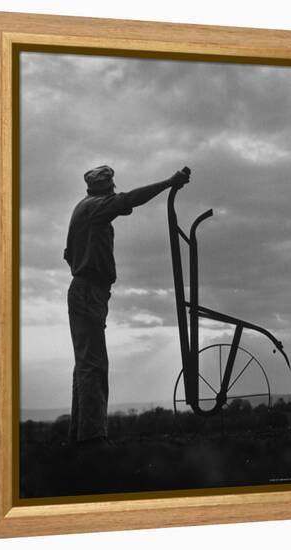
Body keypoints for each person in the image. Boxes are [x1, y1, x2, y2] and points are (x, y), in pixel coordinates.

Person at [64, 164, 191, 451]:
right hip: (89, 293)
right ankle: (94, 441)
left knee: (86, 364)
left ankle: (80, 438)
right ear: (102, 191)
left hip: (88, 292)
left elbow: (68, 255)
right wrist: (169, 183)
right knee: (93, 365)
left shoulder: (84, 210)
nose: (113, 193)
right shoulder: (95, 207)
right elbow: (129, 199)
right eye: (110, 190)